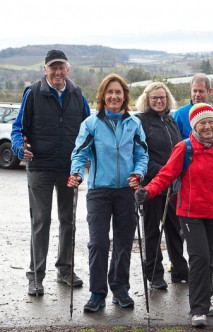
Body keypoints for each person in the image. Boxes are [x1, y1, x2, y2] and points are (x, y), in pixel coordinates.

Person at [134, 103, 213, 327]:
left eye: (211, 122)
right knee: (200, 257)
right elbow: (165, 176)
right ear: (194, 125)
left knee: (208, 258)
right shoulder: (184, 148)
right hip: (190, 214)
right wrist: (148, 191)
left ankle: (206, 301)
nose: (208, 126)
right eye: (203, 122)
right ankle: (198, 309)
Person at [10, 49, 90, 296]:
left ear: (68, 69)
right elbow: (17, 128)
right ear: (45, 70)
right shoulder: (33, 93)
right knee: (41, 221)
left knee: (69, 221)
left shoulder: (78, 95)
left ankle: (65, 270)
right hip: (40, 168)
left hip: (69, 168)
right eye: (52, 67)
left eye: (61, 67)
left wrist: (86, 157)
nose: (57, 72)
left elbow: (89, 129)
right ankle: (36, 276)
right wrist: (18, 147)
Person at [68, 73, 148, 313]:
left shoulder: (134, 124)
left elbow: (142, 154)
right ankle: (97, 293)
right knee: (99, 243)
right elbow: (79, 153)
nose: (114, 96)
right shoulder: (91, 124)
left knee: (124, 243)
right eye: (110, 92)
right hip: (99, 191)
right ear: (102, 96)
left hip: (126, 190)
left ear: (125, 97)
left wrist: (139, 173)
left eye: (119, 92)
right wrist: (76, 173)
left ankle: (120, 288)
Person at [134, 82, 188, 288]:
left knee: (175, 227)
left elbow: (178, 151)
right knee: (151, 229)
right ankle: (154, 274)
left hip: (172, 185)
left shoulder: (170, 120)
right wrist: (164, 172)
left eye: (162, 98)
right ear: (147, 100)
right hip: (151, 184)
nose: (159, 101)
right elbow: (139, 154)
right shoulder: (141, 121)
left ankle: (179, 269)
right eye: (155, 98)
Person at [173, 73, 213, 145]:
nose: (197, 95)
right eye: (194, 91)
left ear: (209, 91)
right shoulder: (179, 115)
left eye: (201, 91)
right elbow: (174, 141)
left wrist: (210, 148)